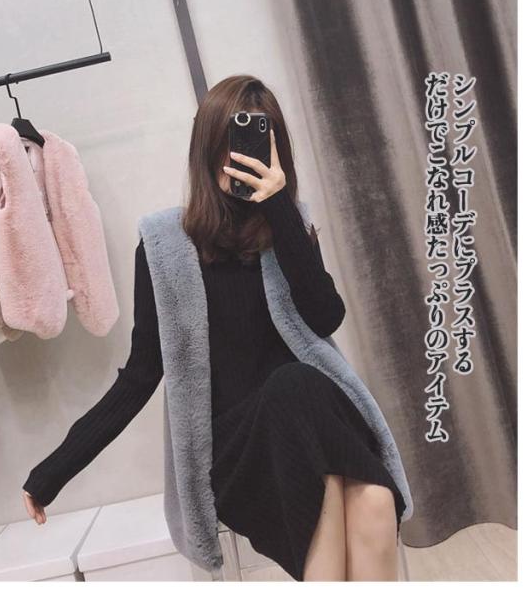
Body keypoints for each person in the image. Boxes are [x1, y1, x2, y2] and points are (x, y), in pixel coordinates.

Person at [22, 75, 407, 581]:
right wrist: (52, 472)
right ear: (206, 150)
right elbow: (140, 376)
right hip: (240, 446)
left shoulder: (288, 228)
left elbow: (326, 317)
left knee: (375, 500)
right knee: (313, 452)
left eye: (255, 143)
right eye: (229, 144)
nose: (239, 157)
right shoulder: (165, 247)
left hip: (312, 417)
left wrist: (279, 208)